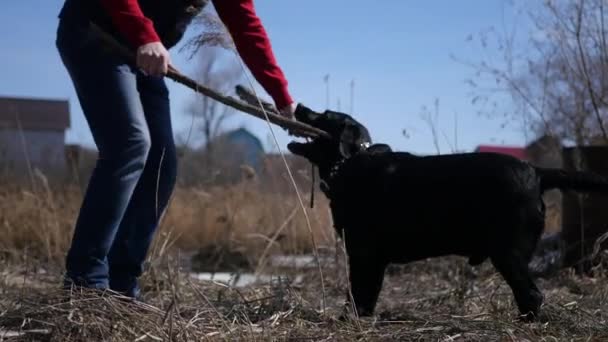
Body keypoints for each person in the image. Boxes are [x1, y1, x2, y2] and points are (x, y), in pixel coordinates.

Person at [55, 0, 297, 299]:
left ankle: (122, 284)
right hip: (96, 33)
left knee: (163, 164)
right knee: (130, 144)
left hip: (141, 55)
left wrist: (282, 96)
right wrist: (145, 35)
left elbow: (246, 27)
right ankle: (85, 281)